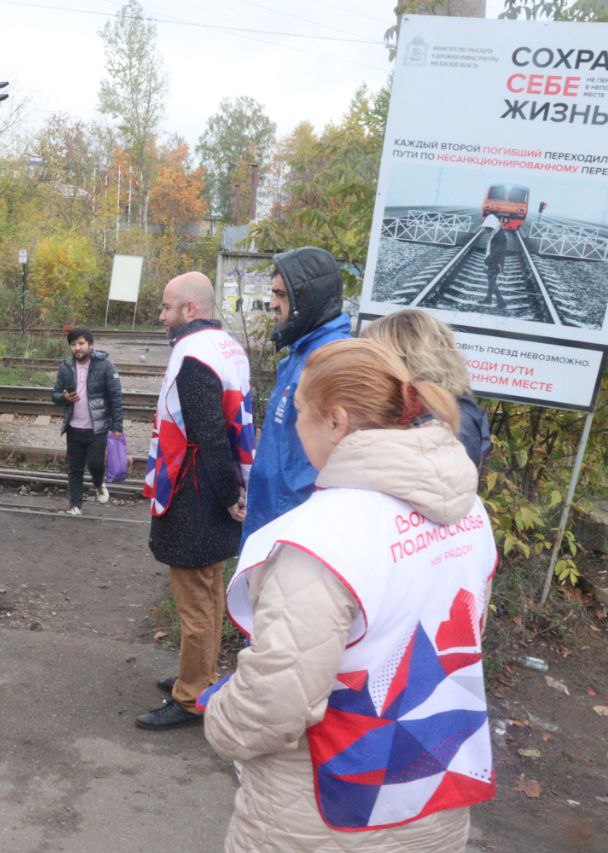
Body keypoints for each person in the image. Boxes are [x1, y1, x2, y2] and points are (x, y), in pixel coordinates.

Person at [200, 339, 496, 851]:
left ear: (335, 421)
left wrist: (221, 720)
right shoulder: (470, 512)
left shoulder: (317, 542)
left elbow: (277, 703)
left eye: (300, 414)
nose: (294, 429)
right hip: (436, 796)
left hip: (322, 818)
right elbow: (465, 631)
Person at [136, 272, 255, 731]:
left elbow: (207, 436)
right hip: (214, 491)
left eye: (167, 308)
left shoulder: (193, 357)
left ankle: (191, 699)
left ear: (189, 309)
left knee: (195, 601)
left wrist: (227, 496)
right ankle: (198, 676)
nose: (161, 317)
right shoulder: (225, 346)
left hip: (197, 497)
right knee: (207, 593)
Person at [243, 246, 350, 540]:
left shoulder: (330, 361)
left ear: (308, 298)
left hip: (292, 528)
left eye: (282, 295)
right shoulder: (299, 356)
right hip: (271, 518)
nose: (272, 304)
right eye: (273, 293)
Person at [362, 309, 492, 468]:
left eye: (373, 358)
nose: (365, 368)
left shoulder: (444, 429)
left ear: (409, 361)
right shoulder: (431, 414)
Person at [50, 327, 123, 516]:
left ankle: (98, 483)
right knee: (75, 469)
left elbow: (115, 397)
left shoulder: (105, 365)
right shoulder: (65, 366)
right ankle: (75, 506)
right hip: (73, 427)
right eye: (73, 344)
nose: (77, 348)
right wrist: (64, 397)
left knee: (95, 463)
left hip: (97, 427)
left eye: (81, 343)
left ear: (90, 344)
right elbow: (55, 395)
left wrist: (117, 426)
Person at [482, 224, 508, 311]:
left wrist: (487, 260)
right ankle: (488, 299)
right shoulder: (497, 233)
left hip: (495, 263)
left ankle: (501, 303)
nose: (487, 232)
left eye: (487, 230)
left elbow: (497, 251)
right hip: (493, 262)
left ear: (491, 228)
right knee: (491, 281)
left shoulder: (500, 236)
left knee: (492, 282)